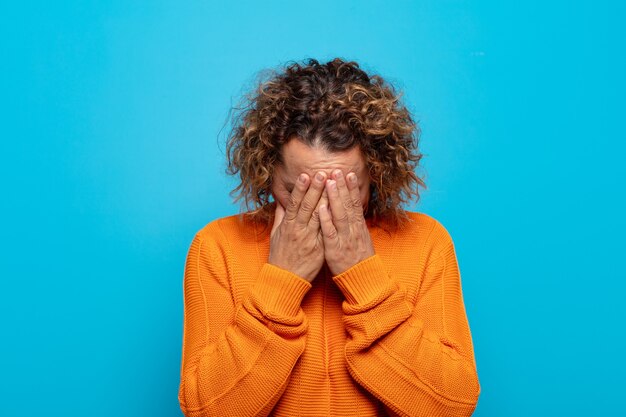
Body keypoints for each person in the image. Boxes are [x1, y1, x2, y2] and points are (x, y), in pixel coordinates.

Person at [177, 58, 481, 417]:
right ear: (267, 169)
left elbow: (451, 406)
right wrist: (280, 283)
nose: (321, 209)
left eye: (346, 192)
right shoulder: (217, 246)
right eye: (298, 191)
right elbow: (207, 410)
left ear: (377, 173)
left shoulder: (426, 241)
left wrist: (364, 276)